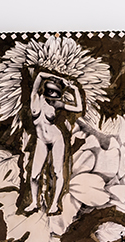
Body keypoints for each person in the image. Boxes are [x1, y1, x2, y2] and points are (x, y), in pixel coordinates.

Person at [23, 70, 83, 215]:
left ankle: (55, 204)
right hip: (41, 140)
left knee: (57, 172)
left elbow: (78, 108)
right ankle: (34, 203)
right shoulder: (35, 98)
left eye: (56, 93)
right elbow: (39, 75)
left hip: (56, 138)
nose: (53, 95)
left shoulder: (56, 104)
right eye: (52, 91)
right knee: (34, 175)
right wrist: (59, 78)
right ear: (47, 90)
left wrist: (74, 89)